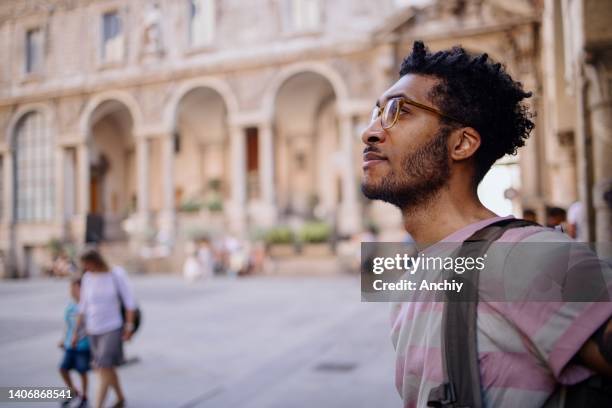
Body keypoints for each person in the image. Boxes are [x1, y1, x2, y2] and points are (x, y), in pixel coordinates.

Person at [361, 41, 612, 407]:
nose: (370, 131)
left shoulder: (527, 257)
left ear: (462, 143)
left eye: (400, 111)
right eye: (376, 112)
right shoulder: (413, 280)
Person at [73, 249, 137, 408]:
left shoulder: (116, 274)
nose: (85, 268)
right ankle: (120, 398)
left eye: (87, 264)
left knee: (103, 367)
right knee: (106, 368)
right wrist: (75, 332)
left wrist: (129, 327)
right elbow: (83, 307)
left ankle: (97, 405)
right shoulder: (87, 278)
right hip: (93, 329)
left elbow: (130, 303)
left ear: (96, 260)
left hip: (112, 328)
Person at [58, 278, 90, 408]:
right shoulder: (70, 306)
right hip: (70, 344)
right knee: (63, 368)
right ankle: (74, 392)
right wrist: (63, 339)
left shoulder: (87, 305)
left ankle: (84, 396)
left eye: (75, 288)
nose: (72, 291)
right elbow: (68, 326)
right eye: (71, 288)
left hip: (83, 345)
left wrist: (79, 338)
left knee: (82, 371)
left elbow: (90, 327)